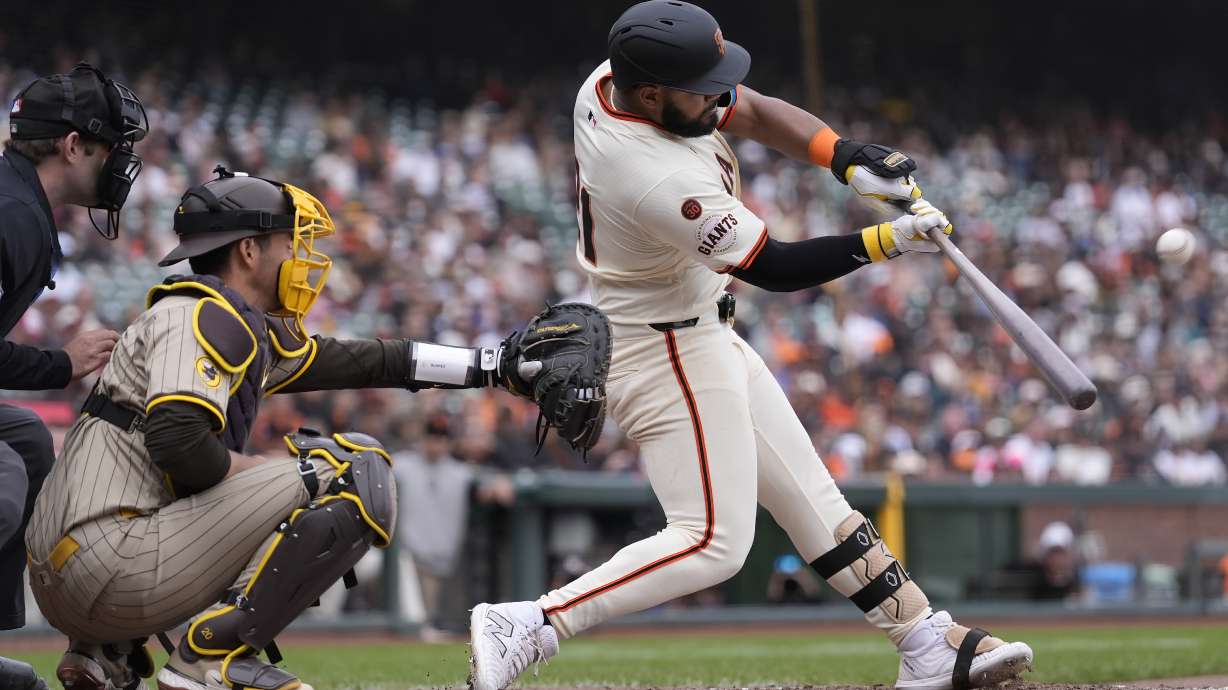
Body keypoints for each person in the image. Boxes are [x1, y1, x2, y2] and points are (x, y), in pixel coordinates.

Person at [468, 4, 1033, 690]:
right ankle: (530, 622)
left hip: (698, 327)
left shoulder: (619, 83)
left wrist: (843, 155)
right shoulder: (651, 173)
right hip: (663, 348)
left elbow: (757, 111)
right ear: (650, 93)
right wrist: (887, 241)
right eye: (699, 87)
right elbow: (774, 266)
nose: (717, 95)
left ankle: (924, 641)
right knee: (712, 542)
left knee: (815, 501)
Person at [24, 167, 578, 690]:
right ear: (248, 249)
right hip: (108, 564)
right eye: (289, 242)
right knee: (350, 470)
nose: (299, 255)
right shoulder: (203, 316)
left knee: (279, 478)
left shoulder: (212, 318)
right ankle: (208, 660)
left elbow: (370, 360)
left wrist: (489, 366)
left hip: (73, 570)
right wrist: (257, 472)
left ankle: (106, 653)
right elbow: (178, 440)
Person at [0, 62, 146, 690]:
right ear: (71, 145)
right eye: (108, 147)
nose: (116, 163)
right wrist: (60, 363)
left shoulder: (17, 199)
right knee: (2, 472)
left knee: (27, 441)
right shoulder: (13, 212)